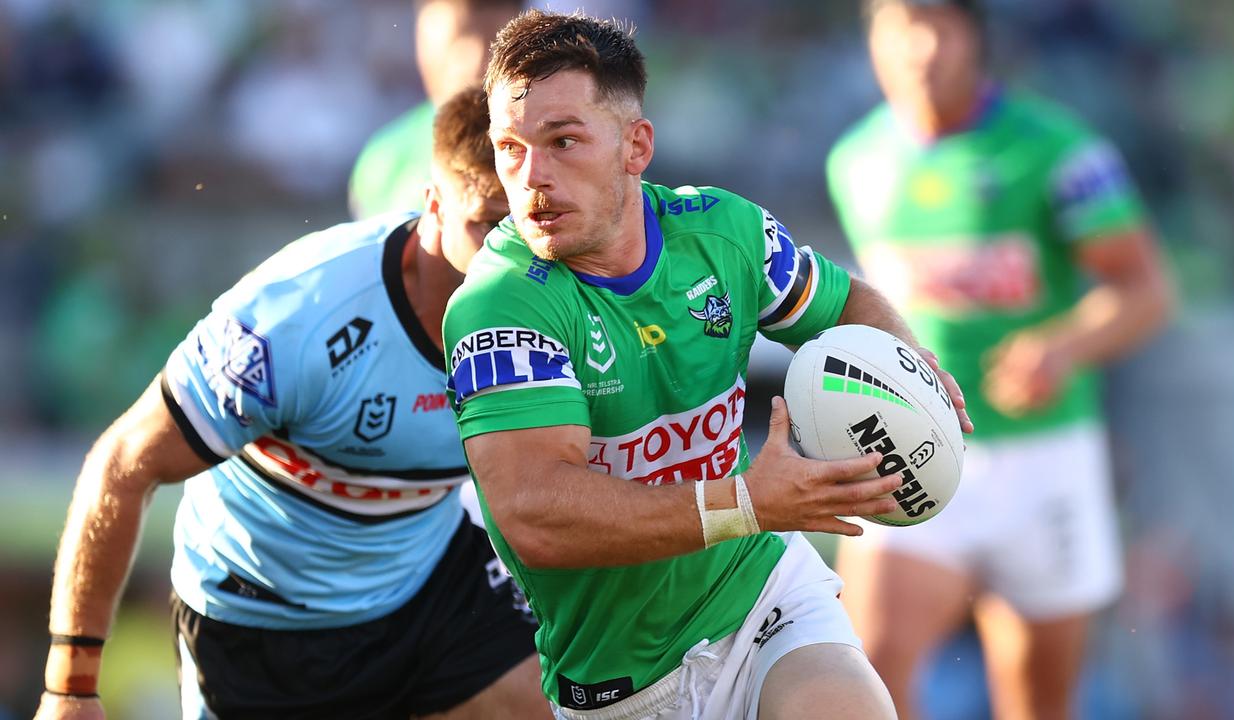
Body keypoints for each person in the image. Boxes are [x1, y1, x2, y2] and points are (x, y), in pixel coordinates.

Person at [443, 10, 973, 720]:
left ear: (637, 147)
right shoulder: (500, 306)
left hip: (759, 599)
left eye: (564, 141)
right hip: (621, 680)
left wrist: (915, 376)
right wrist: (749, 502)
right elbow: (536, 516)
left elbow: (848, 307)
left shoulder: (725, 233)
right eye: (511, 148)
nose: (532, 176)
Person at [36, 88, 551, 720]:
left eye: (525, 227)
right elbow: (123, 464)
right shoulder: (297, 318)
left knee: (553, 700)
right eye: (486, 225)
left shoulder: (564, 292)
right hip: (263, 618)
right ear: (433, 206)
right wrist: (70, 686)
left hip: (427, 578)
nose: (510, 256)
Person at [826, 1, 1174, 718]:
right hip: (916, 450)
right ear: (873, 42)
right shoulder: (854, 161)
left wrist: (1063, 346)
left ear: (975, 39)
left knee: (1036, 702)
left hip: (1044, 460)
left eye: (939, 26)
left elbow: (1145, 290)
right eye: (901, 27)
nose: (920, 49)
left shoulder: (1060, 153)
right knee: (867, 671)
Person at [349, 0, 522, 220]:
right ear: (422, 42)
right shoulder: (385, 159)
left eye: (494, 43)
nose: (476, 62)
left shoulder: (541, 146)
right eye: (457, 42)